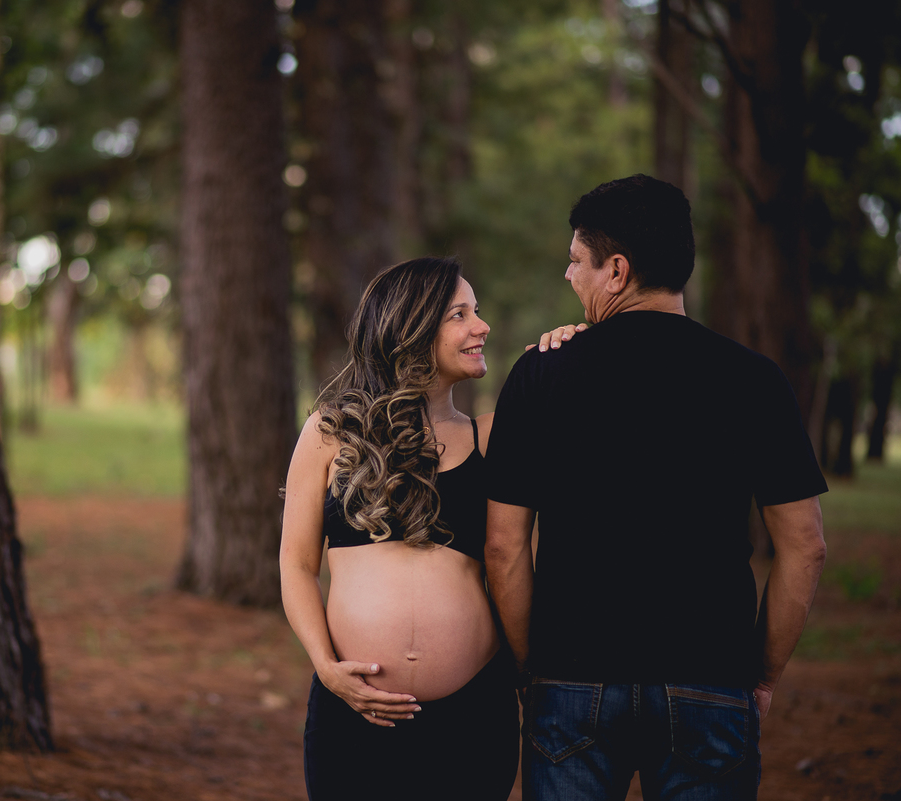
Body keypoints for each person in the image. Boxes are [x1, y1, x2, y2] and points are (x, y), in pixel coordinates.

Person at [484, 174, 828, 800]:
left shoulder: (540, 375)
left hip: (573, 682)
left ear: (616, 271)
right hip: (711, 680)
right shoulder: (755, 380)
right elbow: (805, 545)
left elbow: (504, 547)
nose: (569, 276)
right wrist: (761, 676)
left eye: (577, 261)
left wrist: (536, 669)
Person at [281, 257, 569, 800]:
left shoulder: (493, 435)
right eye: (460, 315)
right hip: (353, 715)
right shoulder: (329, 433)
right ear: (410, 329)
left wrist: (563, 352)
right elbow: (296, 564)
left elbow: (585, 409)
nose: (481, 326)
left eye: (476, 311)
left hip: (473, 715)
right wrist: (325, 666)